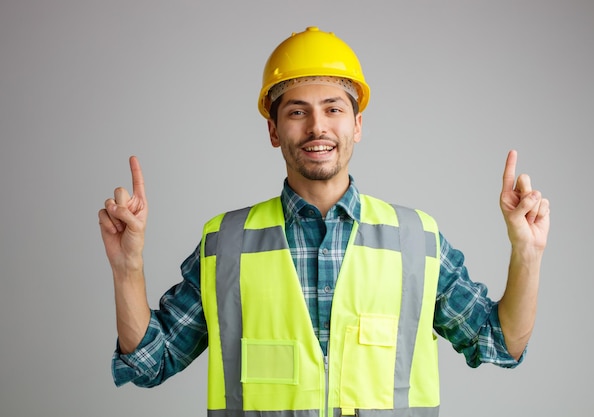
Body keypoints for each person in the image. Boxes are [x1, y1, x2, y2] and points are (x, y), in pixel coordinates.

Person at [98, 27, 550, 416]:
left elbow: (499, 342)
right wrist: (127, 268)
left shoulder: (417, 241)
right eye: (297, 111)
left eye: (333, 108)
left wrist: (527, 253)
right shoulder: (227, 245)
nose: (318, 126)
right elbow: (149, 362)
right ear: (274, 130)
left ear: (357, 124)